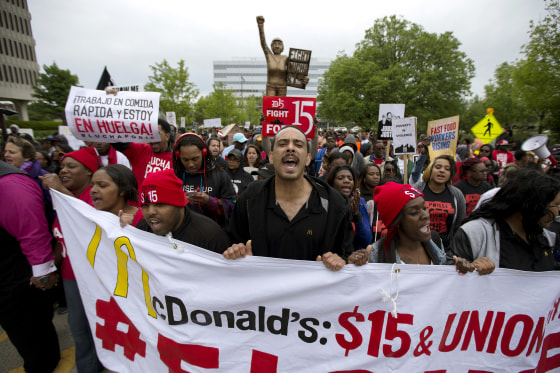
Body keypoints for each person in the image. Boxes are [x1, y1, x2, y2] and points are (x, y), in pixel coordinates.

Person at [223, 126, 354, 271]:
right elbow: (232, 243)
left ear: (308, 159)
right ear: (271, 157)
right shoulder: (251, 198)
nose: (290, 148)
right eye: (283, 144)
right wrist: (236, 251)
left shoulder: (335, 204)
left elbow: (347, 256)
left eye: (298, 145)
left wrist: (340, 260)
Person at [40, 147, 104, 373]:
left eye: (71, 167)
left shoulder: (94, 196)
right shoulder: (65, 197)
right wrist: (49, 268)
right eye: (62, 167)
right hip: (70, 275)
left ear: (89, 172)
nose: (63, 171)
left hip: (94, 276)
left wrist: (59, 189)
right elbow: (61, 238)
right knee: (78, 328)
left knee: (94, 327)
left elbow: (92, 222)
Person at [351, 182, 494, 275]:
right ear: (396, 222)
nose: (425, 215)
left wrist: (467, 270)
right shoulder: (376, 254)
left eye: (424, 208)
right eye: (414, 212)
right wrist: (353, 269)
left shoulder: (435, 242)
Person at [0, 161, 61, 373]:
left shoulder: (9, 183)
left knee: (32, 336)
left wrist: (44, 273)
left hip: (17, 281)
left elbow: (32, 230)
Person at [450, 168, 560, 271]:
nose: (557, 212)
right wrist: (469, 269)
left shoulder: (547, 238)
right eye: (555, 205)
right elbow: (451, 277)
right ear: (531, 204)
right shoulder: (475, 233)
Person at [135, 169, 230, 253]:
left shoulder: (210, 237)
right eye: (145, 205)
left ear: (178, 204)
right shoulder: (142, 230)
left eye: (160, 205)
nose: (150, 212)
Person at [172, 133, 236, 228]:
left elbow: (234, 207)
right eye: (185, 160)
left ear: (204, 153)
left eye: (195, 159)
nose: (191, 164)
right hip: (181, 236)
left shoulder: (220, 175)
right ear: (178, 156)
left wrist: (211, 202)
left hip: (213, 234)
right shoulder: (174, 176)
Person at [412, 155, 466, 251]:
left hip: (445, 250)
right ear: (430, 169)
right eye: (438, 167)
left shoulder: (457, 195)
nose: (442, 171)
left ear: (451, 173)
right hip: (416, 248)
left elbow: (459, 225)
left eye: (447, 169)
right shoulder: (416, 190)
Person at [111, 118, 173, 189]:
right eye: (150, 134)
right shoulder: (141, 150)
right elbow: (116, 140)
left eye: (157, 134)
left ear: (167, 136)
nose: (153, 138)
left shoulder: (177, 160)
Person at [256, 16, 308, 96]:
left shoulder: (285, 58)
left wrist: (303, 79)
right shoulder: (269, 56)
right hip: (271, 86)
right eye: (275, 44)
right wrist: (260, 25)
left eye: (279, 44)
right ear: (272, 46)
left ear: (282, 46)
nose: (277, 46)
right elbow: (263, 43)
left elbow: (293, 72)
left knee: (282, 106)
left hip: (282, 87)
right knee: (271, 105)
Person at [326, 165, 373, 251]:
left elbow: (367, 240)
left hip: (355, 258)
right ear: (332, 183)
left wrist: (356, 214)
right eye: (340, 178)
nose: (346, 181)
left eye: (350, 179)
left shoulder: (358, 203)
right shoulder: (325, 202)